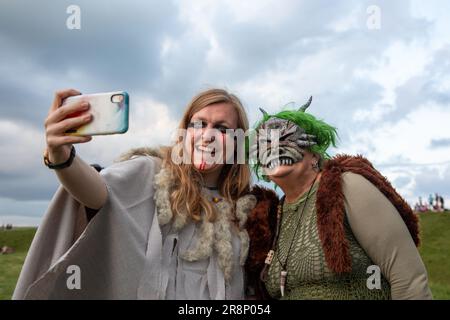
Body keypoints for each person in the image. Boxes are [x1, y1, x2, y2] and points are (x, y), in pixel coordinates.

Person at [13, 88, 281, 300]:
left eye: (222, 128)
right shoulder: (153, 173)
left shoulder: (247, 208)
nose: (207, 135)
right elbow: (97, 195)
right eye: (199, 124)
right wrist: (62, 157)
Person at [245, 97, 433, 300]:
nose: (275, 149)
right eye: (265, 145)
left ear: (315, 155)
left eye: (286, 137)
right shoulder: (274, 215)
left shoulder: (347, 186)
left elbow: (409, 280)